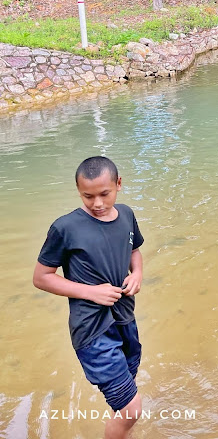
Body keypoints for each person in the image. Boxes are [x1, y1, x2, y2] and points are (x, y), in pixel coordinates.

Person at [33, 156, 144, 439]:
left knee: (125, 400)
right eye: (88, 196)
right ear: (78, 191)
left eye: (104, 194)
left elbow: (134, 251)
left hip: (125, 318)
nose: (97, 203)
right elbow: (41, 277)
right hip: (92, 329)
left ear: (118, 184)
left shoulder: (127, 215)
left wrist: (138, 274)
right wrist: (91, 292)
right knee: (132, 409)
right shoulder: (65, 227)